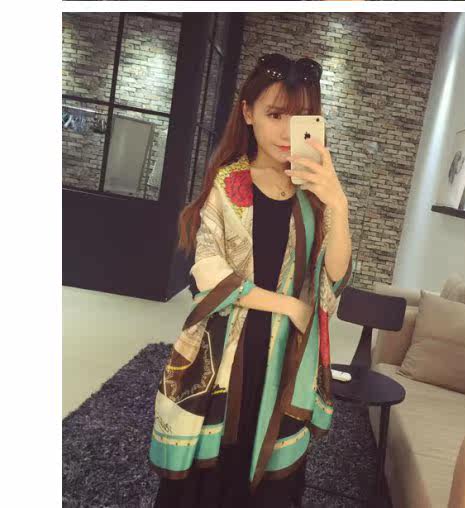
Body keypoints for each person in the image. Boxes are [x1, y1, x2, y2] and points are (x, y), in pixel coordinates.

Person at [149, 53, 353, 507]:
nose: (286, 131)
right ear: (248, 113)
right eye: (275, 114)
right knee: (214, 471)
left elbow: (333, 279)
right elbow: (208, 273)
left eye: (300, 117)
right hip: (225, 351)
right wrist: (289, 305)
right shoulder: (228, 184)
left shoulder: (315, 193)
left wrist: (338, 204)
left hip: (286, 356)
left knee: (269, 481)